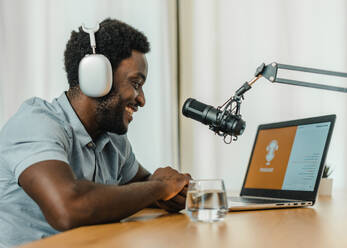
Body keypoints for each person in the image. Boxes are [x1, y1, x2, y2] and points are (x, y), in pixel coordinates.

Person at [0, 18, 191, 247]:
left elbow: (141, 185)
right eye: (136, 83)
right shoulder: (35, 123)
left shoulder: (112, 137)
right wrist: (159, 188)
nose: (141, 99)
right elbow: (67, 209)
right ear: (97, 77)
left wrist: (170, 193)